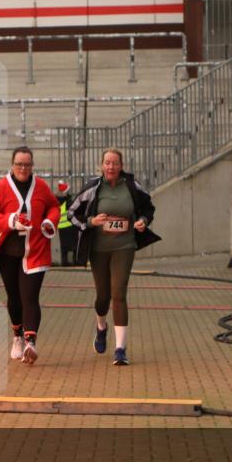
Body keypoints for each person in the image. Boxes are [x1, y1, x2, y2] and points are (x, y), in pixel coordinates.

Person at [67, 148, 161, 365]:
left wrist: (143, 221)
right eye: (107, 163)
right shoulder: (93, 188)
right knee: (103, 297)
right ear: (102, 166)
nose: (111, 167)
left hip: (124, 246)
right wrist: (90, 222)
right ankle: (101, 327)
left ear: (121, 166)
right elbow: (71, 213)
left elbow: (149, 208)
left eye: (115, 163)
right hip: (98, 249)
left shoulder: (131, 186)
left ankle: (120, 349)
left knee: (119, 293)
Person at [0, 147, 59, 364]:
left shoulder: (41, 186)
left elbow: (53, 206)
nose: (23, 168)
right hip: (8, 252)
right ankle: (17, 336)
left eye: (27, 164)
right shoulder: (1, 187)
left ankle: (30, 342)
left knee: (30, 297)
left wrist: (50, 222)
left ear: (32, 166)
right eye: (19, 164)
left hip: (35, 251)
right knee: (14, 298)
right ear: (12, 165)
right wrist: (10, 221)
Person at [55, 180, 78, 266]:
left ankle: (64, 263)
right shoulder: (68, 202)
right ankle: (75, 262)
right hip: (70, 225)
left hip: (61, 227)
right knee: (74, 245)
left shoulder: (56, 201)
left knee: (64, 247)